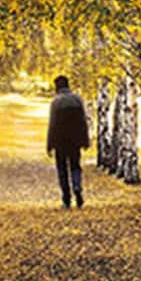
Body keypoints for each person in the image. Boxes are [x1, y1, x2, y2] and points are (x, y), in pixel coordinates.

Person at [47, 75, 90, 208]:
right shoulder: (78, 99)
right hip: (75, 140)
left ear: (57, 87)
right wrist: (85, 140)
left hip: (60, 142)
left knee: (62, 170)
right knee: (75, 166)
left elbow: (52, 125)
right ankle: (77, 187)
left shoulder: (56, 102)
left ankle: (66, 198)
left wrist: (49, 145)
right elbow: (83, 121)